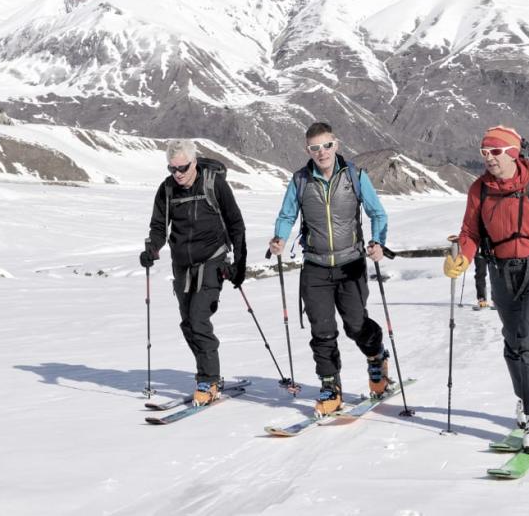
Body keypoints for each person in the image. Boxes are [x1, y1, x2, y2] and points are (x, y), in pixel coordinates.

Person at [443, 125, 529, 453]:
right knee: (513, 341)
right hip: (501, 271)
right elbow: (470, 231)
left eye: (496, 151)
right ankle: (527, 398)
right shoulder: (479, 190)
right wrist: (462, 256)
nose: (488, 157)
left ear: (514, 153)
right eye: (484, 152)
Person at [268, 122, 390, 417]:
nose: (321, 152)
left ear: (336, 145)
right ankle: (329, 387)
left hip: (351, 264)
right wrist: (279, 238)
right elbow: (287, 215)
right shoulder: (300, 180)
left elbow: (377, 213)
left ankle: (376, 358)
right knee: (322, 330)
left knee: (356, 324)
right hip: (316, 266)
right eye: (314, 147)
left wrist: (377, 242)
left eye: (326, 146)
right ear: (307, 150)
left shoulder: (355, 176)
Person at [140, 139, 247, 406]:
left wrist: (240, 264)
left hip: (213, 260)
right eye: (172, 168)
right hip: (182, 266)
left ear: (194, 163)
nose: (177, 174)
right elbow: (158, 226)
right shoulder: (167, 190)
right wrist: (152, 248)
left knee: (199, 318)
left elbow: (236, 223)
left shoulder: (214, 184)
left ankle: (208, 380)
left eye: (182, 168)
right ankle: (210, 374)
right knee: (188, 323)